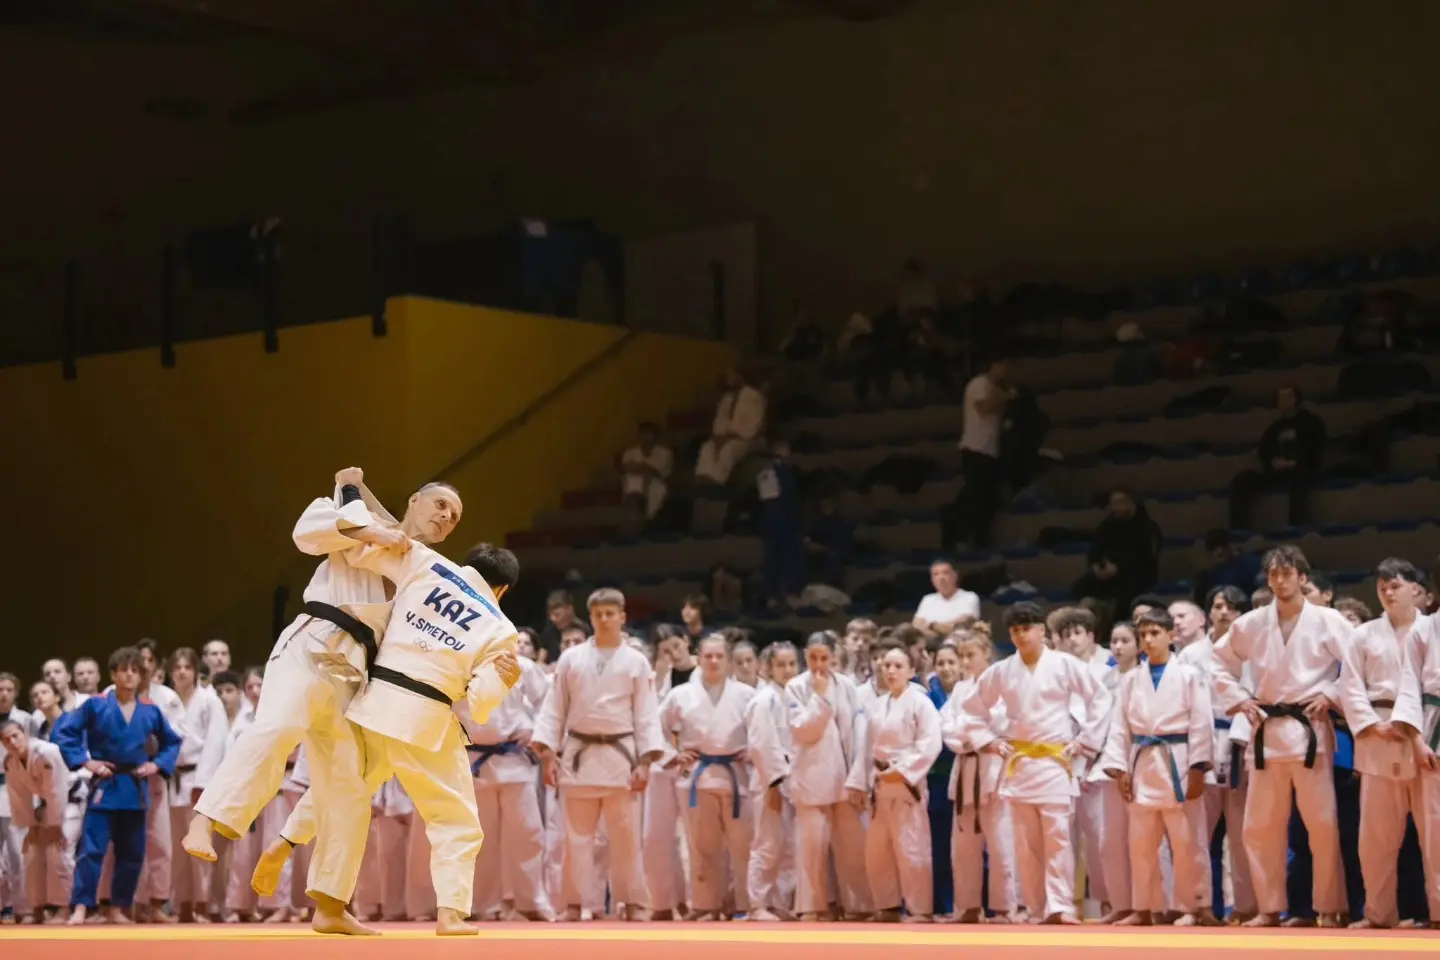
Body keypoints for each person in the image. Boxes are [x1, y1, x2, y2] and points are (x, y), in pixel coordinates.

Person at [184, 470, 459, 937]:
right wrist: (368, 526)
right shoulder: (355, 519)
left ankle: (331, 904)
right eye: (440, 506)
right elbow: (306, 532)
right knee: (277, 728)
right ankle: (205, 822)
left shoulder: (425, 569)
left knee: (350, 787)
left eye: (454, 517)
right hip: (312, 642)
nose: (446, 518)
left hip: (355, 670)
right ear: (414, 501)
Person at [274, 540, 526, 936]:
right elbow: (479, 704)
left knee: (345, 790)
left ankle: (287, 841)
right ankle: (451, 915)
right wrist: (505, 680)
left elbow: (362, 553)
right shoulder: (500, 628)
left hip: (374, 703)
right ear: (503, 590)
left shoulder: (428, 564)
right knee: (455, 819)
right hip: (424, 720)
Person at [1206, 545, 1352, 927]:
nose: (1280, 580)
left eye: (1287, 573)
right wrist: (1239, 698)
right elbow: (1217, 663)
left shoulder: (1328, 620)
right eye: (1273, 574)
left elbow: (1356, 665)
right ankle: (1269, 908)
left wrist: (1332, 695)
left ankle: (1328, 907)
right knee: (1259, 827)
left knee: (1321, 825)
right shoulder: (1252, 623)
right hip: (1266, 734)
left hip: (1310, 733)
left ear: (1303, 578)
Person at [957, 601, 1109, 924]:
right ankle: (1036, 907)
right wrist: (989, 741)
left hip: (1055, 762)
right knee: (1026, 844)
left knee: (1058, 838)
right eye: (1015, 630)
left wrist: (1084, 741)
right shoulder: (1001, 671)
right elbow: (971, 711)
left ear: (1042, 631)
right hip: (1021, 762)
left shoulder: (1064, 665)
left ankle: (1061, 906)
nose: (1021, 635)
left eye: (1027, 628)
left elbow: (1100, 698)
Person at [532, 588, 665, 921]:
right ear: (590, 618)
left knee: (626, 838)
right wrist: (548, 754)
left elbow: (646, 714)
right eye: (598, 614)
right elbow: (554, 710)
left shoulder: (636, 661)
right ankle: (574, 904)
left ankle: (632, 901)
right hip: (578, 756)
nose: (604, 620)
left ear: (623, 616)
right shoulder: (571, 658)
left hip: (622, 757)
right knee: (575, 838)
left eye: (610, 613)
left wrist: (646, 762)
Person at [1101, 608, 1215, 926]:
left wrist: (1198, 767)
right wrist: (1120, 769)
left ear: (1171, 636)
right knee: (1140, 843)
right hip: (1141, 762)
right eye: (1144, 635)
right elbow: (1119, 727)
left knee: (1186, 842)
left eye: (1155, 633)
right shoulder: (1130, 680)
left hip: (1177, 760)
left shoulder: (1190, 676)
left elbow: (1201, 724)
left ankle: (1190, 907)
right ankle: (1143, 907)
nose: (1148, 640)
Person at [54, 646, 181, 925]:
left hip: (135, 787)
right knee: (92, 850)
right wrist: (87, 762)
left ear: (141, 677)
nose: (129, 675)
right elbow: (64, 732)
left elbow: (172, 741)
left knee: (132, 852)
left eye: (135, 671)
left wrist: (156, 765)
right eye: (124, 670)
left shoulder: (150, 710)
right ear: (113, 674)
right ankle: (81, 907)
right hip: (105, 785)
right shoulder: (96, 704)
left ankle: (118, 907)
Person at [1335, 558, 1428, 928]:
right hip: (1377, 734)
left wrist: (1414, 724)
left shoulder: (1434, 631)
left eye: (1396, 586)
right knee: (1375, 837)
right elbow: (1349, 685)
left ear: (1415, 590)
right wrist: (1370, 724)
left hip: (1425, 736)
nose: (1388, 593)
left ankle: (1436, 912)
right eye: (1382, 587)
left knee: (1434, 834)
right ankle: (1378, 913)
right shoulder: (1363, 635)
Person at [660, 634, 756, 920]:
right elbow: (656, 729)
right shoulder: (680, 695)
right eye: (708, 656)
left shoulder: (746, 695)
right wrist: (673, 755)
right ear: (698, 659)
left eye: (719, 656)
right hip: (698, 778)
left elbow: (765, 732)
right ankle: (705, 905)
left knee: (743, 846)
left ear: (728, 660)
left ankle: (744, 904)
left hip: (737, 776)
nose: (713, 662)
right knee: (702, 845)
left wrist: (753, 751)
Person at [785, 632, 873, 921]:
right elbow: (803, 730)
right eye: (813, 658)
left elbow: (858, 732)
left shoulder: (847, 685)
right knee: (811, 848)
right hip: (810, 777)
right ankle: (812, 907)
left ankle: (858, 905)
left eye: (824, 658)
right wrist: (820, 698)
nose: (819, 665)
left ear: (834, 657)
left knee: (852, 847)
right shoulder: (795, 687)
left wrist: (858, 776)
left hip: (844, 777)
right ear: (806, 657)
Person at [460, 649, 552, 922]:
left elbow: (549, 702)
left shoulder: (521, 664)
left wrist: (535, 729)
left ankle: (531, 901)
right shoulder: (461, 662)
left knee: (528, 833)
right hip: (474, 758)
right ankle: (481, 905)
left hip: (514, 758)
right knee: (480, 838)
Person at [860, 645, 942, 922]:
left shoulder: (921, 702)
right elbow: (867, 748)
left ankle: (920, 909)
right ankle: (888, 906)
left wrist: (904, 771)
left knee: (912, 847)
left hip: (907, 784)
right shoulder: (878, 705)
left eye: (897, 666)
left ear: (911, 671)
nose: (891, 671)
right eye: (887, 666)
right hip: (880, 784)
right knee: (878, 850)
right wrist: (861, 782)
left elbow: (931, 744)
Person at [942, 631, 1019, 923]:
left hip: (993, 768)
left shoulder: (1000, 685)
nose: (965, 661)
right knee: (962, 846)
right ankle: (968, 906)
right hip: (965, 767)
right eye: (961, 656)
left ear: (987, 655)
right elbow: (947, 726)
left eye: (970, 655)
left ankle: (1004, 907)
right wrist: (969, 738)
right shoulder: (960, 689)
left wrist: (974, 734)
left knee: (1000, 841)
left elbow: (1000, 722)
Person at [1, 719, 76, 924]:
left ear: (25, 733)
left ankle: (63, 909)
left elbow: (57, 790)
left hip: (70, 802)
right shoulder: (10, 762)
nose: (13, 742)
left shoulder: (46, 752)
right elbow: (19, 797)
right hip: (45, 807)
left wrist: (55, 825)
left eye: (15, 736)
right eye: (7, 740)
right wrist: (32, 826)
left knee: (58, 852)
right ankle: (37, 909)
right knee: (31, 852)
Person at [745, 641, 798, 921]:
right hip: (771, 782)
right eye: (781, 665)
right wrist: (774, 784)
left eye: (791, 664)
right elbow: (761, 744)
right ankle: (757, 904)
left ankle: (780, 901)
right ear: (768, 668)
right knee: (767, 843)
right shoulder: (764, 700)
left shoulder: (795, 697)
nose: (788, 670)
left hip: (793, 782)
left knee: (789, 846)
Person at [1228, 386, 1326, 530]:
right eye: (1281, 397)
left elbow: (1316, 446)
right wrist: (1273, 462)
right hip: (1277, 470)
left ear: (1297, 399)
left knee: (1300, 481)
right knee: (1242, 479)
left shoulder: (1311, 422)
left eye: (1289, 396)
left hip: (1302, 468)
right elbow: (1264, 451)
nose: (1285, 401)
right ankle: (1238, 529)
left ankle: (1296, 528)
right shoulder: (1274, 428)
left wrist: (1295, 462)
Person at [946, 358, 1015, 551]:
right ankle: (967, 539)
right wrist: (1006, 395)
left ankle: (981, 539)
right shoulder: (979, 384)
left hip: (989, 451)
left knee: (986, 499)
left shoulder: (993, 388)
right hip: (976, 450)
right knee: (976, 498)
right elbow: (984, 407)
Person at [913, 559, 981, 640]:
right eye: (936, 574)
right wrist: (939, 630)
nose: (941, 578)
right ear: (932, 580)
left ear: (955, 576)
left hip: (959, 643)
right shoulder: (927, 599)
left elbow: (964, 620)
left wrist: (931, 626)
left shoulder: (970, 597)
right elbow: (916, 625)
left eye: (945, 573)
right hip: (929, 643)